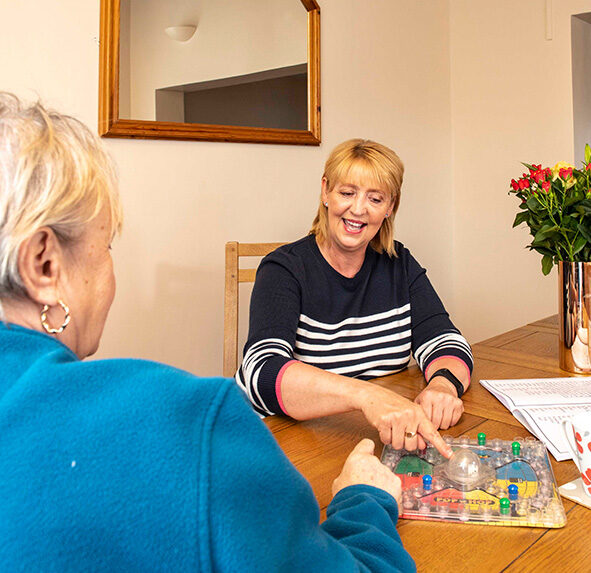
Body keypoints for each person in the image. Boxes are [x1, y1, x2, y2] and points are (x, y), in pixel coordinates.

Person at [0, 94, 417, 572]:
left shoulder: (397, 262)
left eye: (375, 197)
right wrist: (365, 500)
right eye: (106, 246)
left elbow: (442, 336)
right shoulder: (190, 421)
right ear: (44, 264)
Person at [236, 139, 473, 455]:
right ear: (326, 192)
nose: (358, 209)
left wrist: (442, 386)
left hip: (378, 440)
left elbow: (446, 341)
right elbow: (259, 369)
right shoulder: (284, 269)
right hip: (292, 447)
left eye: (375, 198)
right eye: (347, 193)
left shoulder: (400, 264)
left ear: (390, 207)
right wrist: (367, 397)